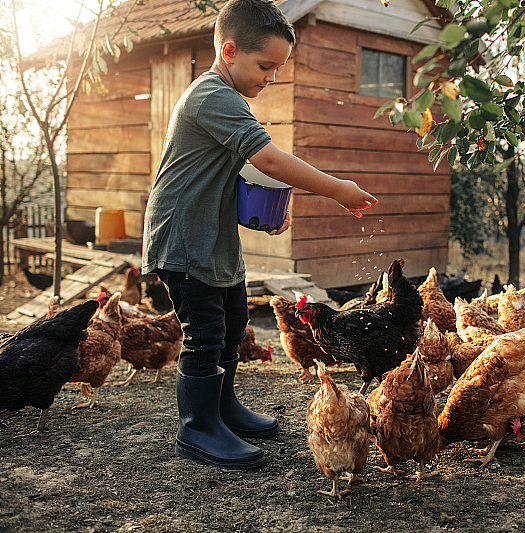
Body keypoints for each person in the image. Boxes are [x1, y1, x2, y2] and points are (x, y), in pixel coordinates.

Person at [141, 0, 377, 470]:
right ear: (229, 50)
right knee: (205, 335)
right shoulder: (212, 96)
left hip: (213, 239)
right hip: (185, 240)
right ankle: (197, 429)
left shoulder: (226, 100)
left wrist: (266, 210)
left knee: (230, 326)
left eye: (277, 68)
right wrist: (336, 190)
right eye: (266, 65)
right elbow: (267, 159)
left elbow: (233, 171)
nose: (271, 77)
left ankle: (222, 409)